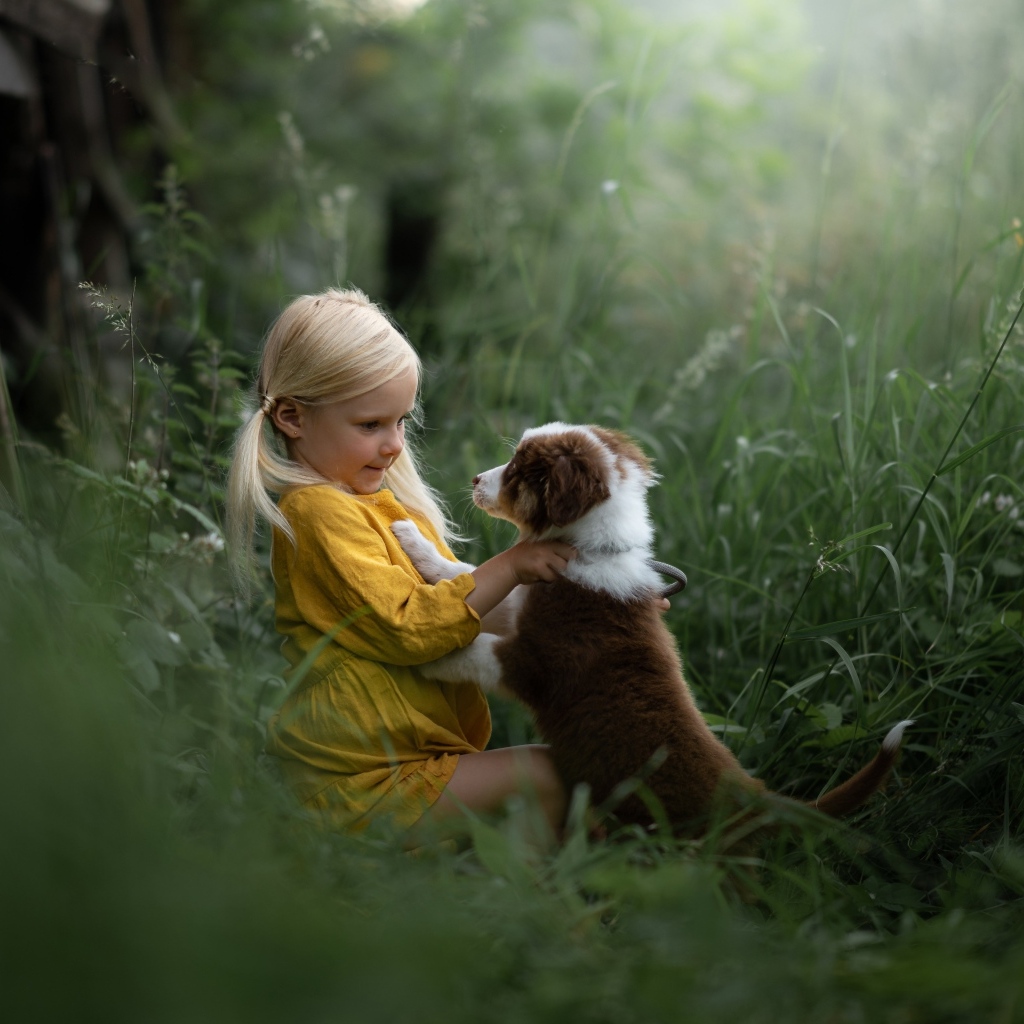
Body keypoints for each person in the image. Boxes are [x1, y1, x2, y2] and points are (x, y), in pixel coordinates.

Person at [226, 287, 575, 840]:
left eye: (401, 422)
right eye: (370, 425)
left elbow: (466, 611)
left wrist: (591, 607)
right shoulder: (317, 512)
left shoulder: (379, 509)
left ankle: (508, 884)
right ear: (292, 417)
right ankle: (535, 897)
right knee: (548, 775)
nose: (393, 444)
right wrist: (512, 564)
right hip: (357, 785)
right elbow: (412, 624)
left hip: (404, 762)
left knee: (569, 776)